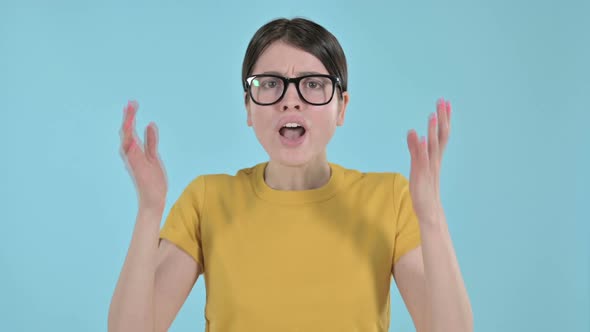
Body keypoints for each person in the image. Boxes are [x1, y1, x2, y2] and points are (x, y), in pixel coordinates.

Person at [108, 17, 473, 332]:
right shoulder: (207, 199)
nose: (290, 99)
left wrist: (432, 216)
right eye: (269, 83)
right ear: (248, 108)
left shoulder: (390, 198)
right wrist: (149, 210)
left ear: (341, 107)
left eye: (313, 84)